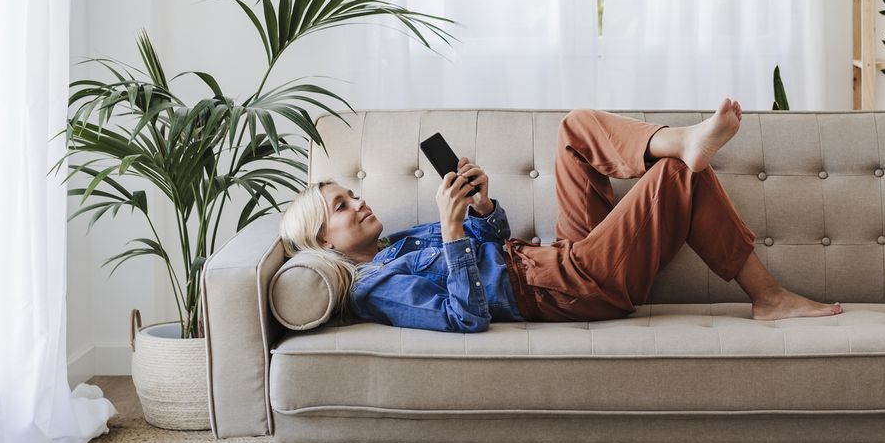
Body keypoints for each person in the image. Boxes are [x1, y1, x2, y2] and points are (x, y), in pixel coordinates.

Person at [277, 99, 842, 332]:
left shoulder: (395, 244)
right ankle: (768, 298)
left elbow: (489, 240)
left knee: (574, 129)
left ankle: (680, 138)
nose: (359, 202)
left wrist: (480, 206)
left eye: (351, 194)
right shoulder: (374, 288)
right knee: (678, 176)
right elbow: (465, 318)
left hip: (559, 261)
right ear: (322, 239)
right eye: (342, 207)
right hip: (560, 290)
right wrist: (451, 233)